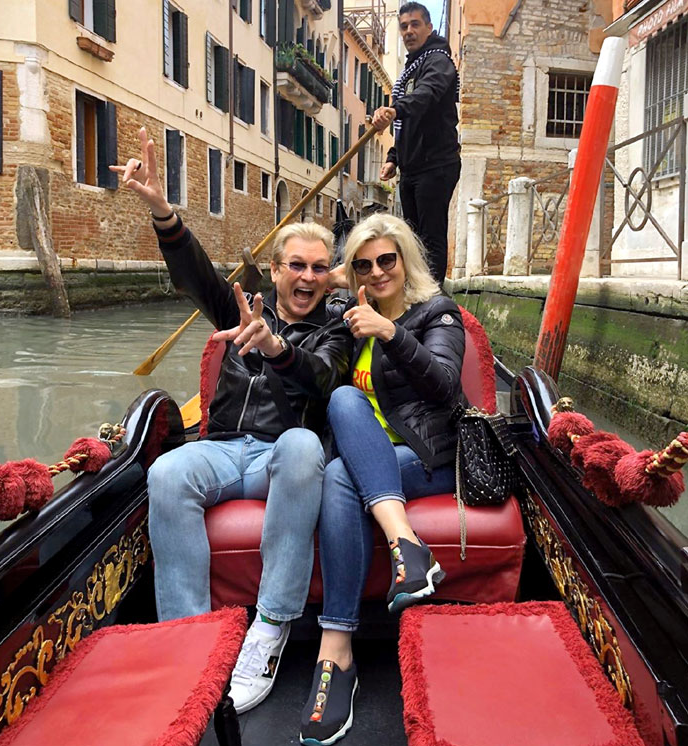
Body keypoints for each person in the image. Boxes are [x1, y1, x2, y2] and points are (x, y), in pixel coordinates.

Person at [110, 128, 352, 714]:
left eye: (320, 268)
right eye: (297, 265)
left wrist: (275, 348)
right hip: (220, 449)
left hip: (281, 457)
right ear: (274, 269)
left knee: (303, 445)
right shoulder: (237, 306)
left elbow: (324, 379)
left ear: (330, 276)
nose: (308, 277)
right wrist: (164, 212)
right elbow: (194, 273)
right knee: (166, 472)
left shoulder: (337, 329)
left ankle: (269, 628)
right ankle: (187, 639)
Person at [298, 214, 466, 745]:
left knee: (342, 458)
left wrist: (391, 333)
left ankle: (335, 652)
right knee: (343, 426)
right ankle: (405, 551)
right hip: (367, 459)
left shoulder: (438, 313)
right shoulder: (344, 314)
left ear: (405, 260)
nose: (377, 272)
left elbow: (445, 386)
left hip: (428, 457)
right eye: (364, 265)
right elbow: (297, 290)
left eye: (387, 260)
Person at [372, 1, 461, 285]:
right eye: (403, 26)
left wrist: (394, 109)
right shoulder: (412, 68)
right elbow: (410, 124)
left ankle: (432, 299)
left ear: (428, 28)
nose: (408, 31)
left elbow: (426, 95)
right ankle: (416, 293)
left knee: (430, 238)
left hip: (436, 164)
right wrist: (393, 158)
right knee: (411, 239)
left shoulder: (439, 62)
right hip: (412, 168)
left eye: (415, 24)